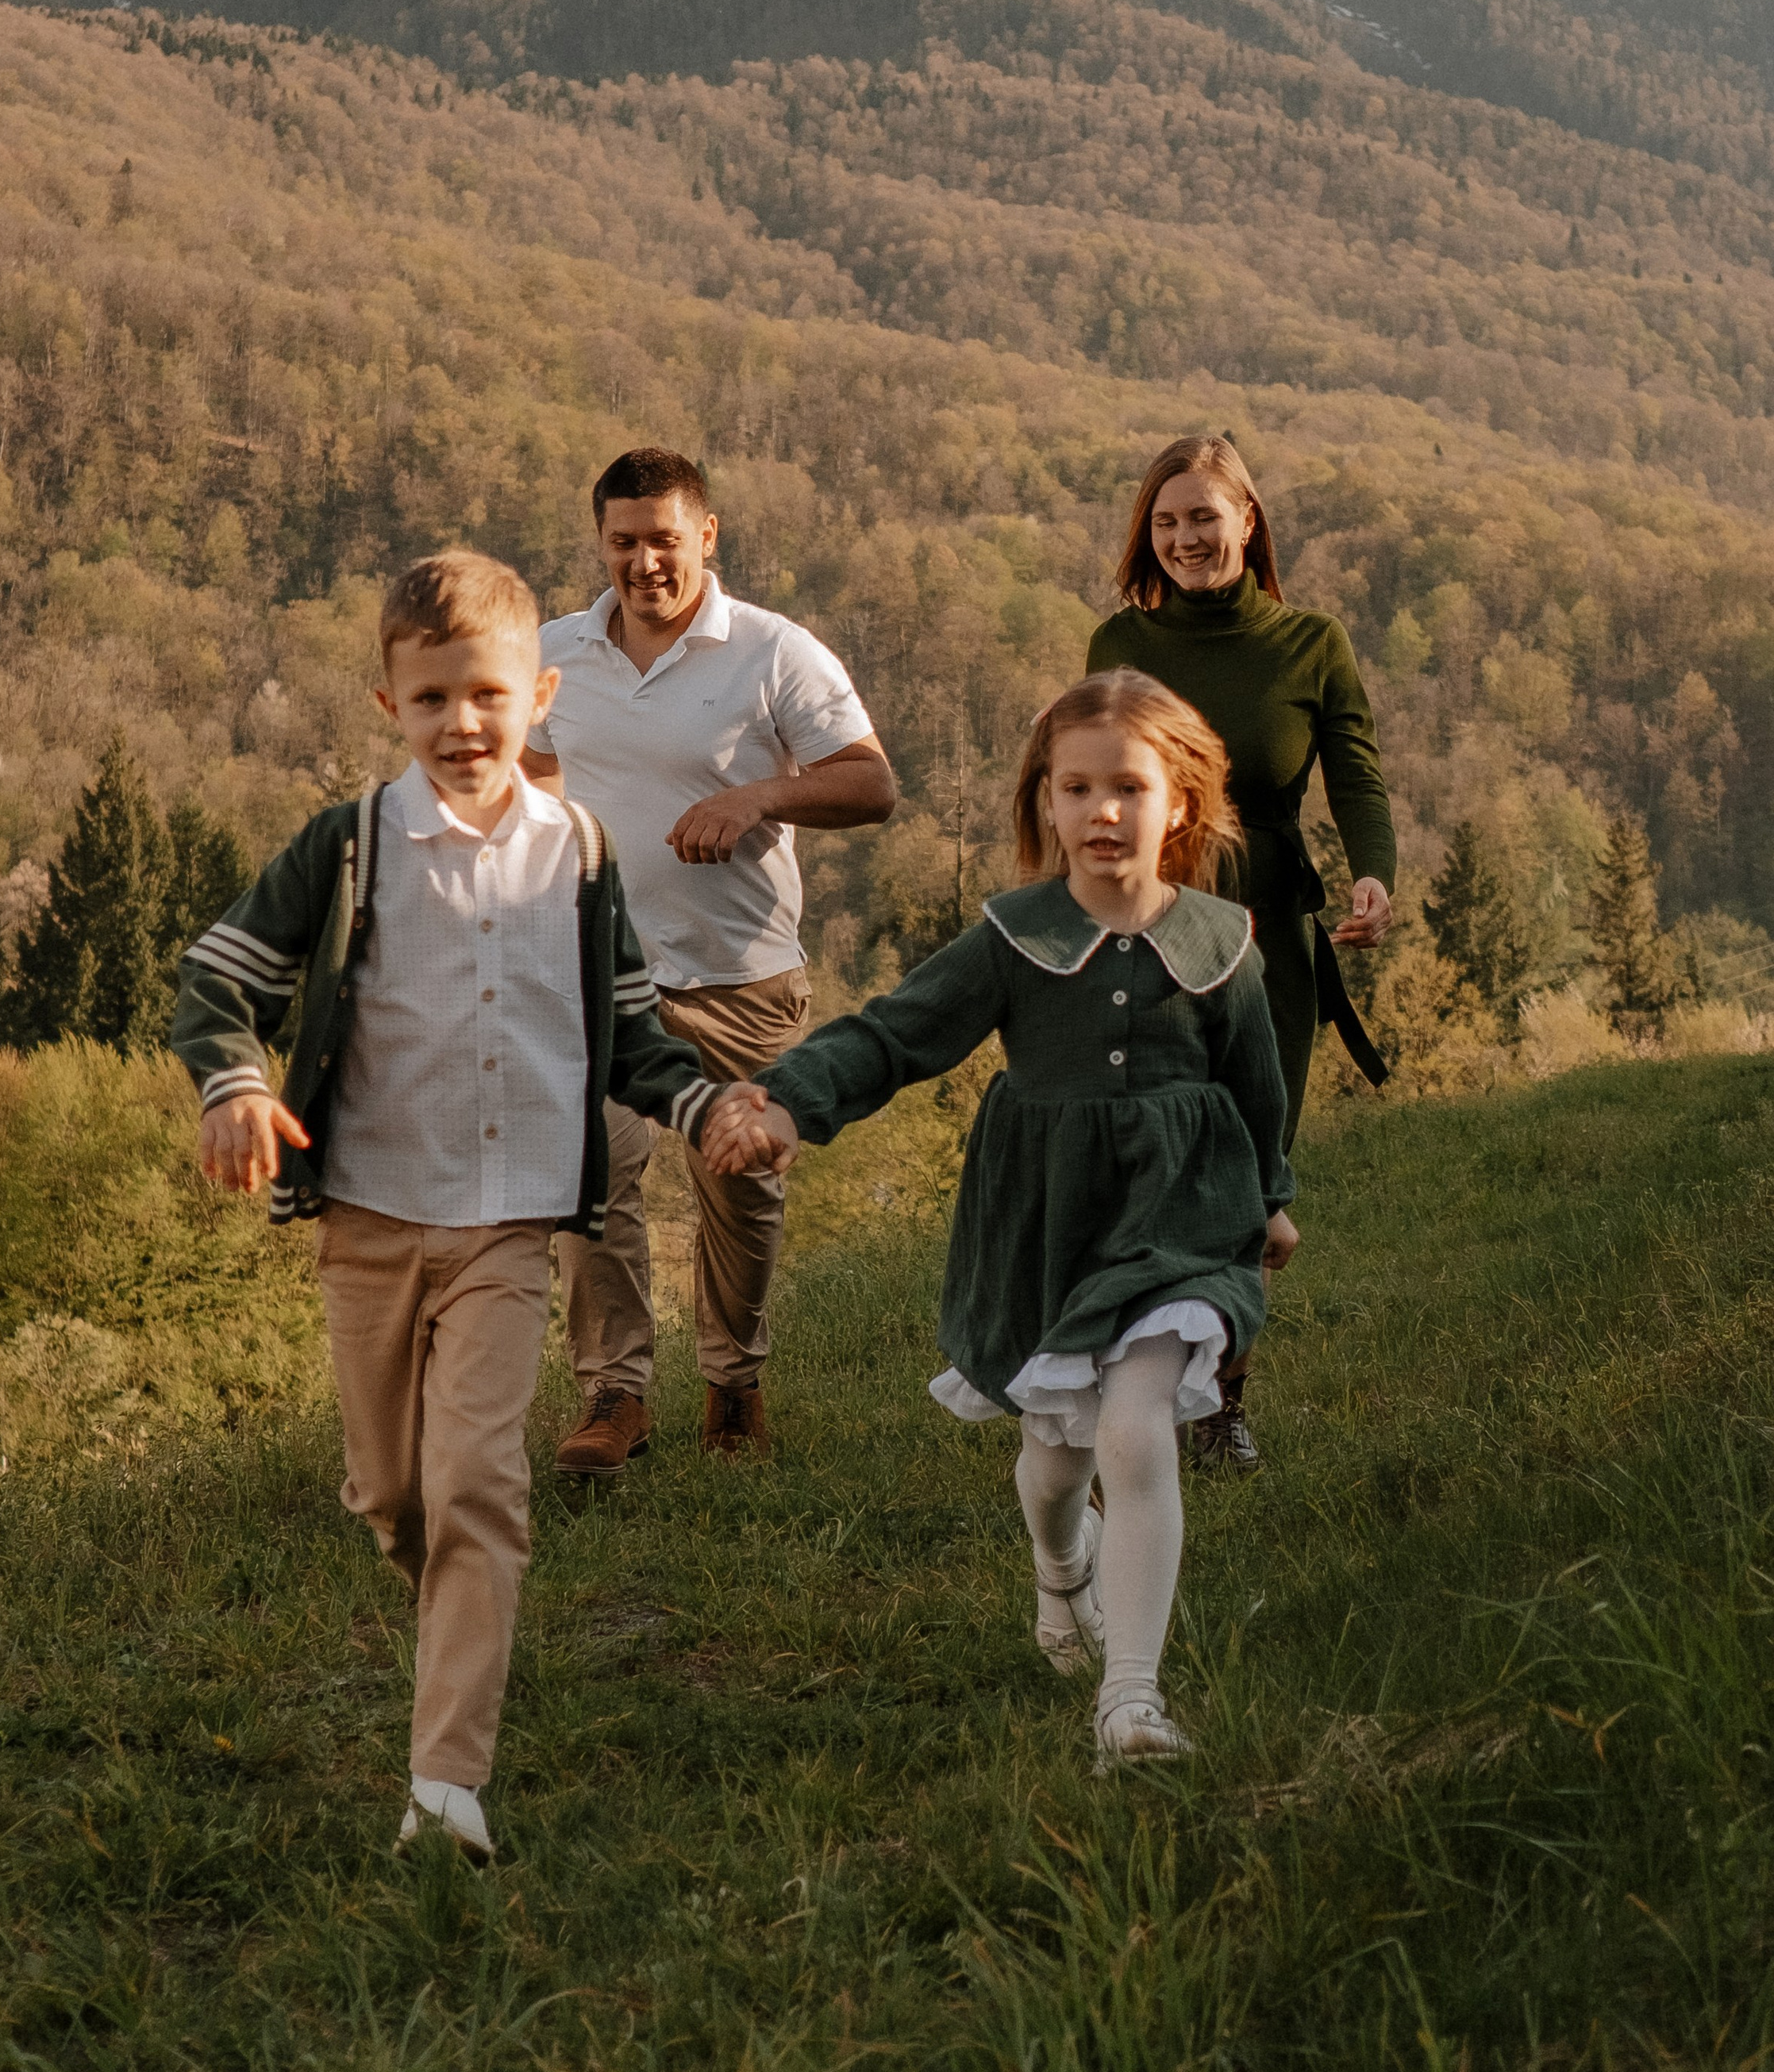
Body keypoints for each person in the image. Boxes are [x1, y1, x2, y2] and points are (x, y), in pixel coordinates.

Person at [171, 552, 722, 1865]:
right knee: (394, 1496)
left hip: (510, 1223)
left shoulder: (580, 855)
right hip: (368, 1217)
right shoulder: (350, 845)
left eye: (487, 696)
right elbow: (221, 975)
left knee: (478, 1482)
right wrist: (234, 1088)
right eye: (431, 700)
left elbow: (633, 1034)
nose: (462, 724)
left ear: (540, 697)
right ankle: (460, 1612)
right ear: (389, 705)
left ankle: (445, 1787)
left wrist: (712, 1107)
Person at [703, 669, 1293, 1759]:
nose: (1103, 811)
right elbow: (894, 1033)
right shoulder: (1015, 939)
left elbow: (1257, 1086)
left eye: (1129, 788)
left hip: (1184, 1218)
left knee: (1135, 1427)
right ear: (1046, 802)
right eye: (1077, 788)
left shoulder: (1223, 943)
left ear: (1179, 805)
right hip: (1046, 1223)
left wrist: (1271, 1201)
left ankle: (1131, 1700)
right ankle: (1061, 1573)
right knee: (1060, 1461)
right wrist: (788, 1102)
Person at [523, 448, 896, 1471]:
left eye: (664, 541)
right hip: (600, 974)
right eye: (623, 542)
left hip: (741, 976)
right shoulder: (557, 651)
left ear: (707, 536)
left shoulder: (774, 652)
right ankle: (614, 1396)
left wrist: (759, 796)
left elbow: (872, 785)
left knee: (740, 1188)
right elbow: (530, 762)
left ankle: (733, 1386)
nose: (644, 562)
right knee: (590, 1176)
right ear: (601, 541)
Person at [1086, 433, 1395, 1477]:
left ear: (1248, 520)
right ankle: (1133, 1385)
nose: (1185, 539)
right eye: (1166, 522)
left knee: (1249, 1173)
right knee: (1149, 1161)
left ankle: (1221, 1405)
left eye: (1203, 518)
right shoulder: (1120, 643)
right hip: (1147, 923)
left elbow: (1356, 774)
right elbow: (1090, 782)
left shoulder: (1311, 643)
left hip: (1268, 939)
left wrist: (1372, 873)